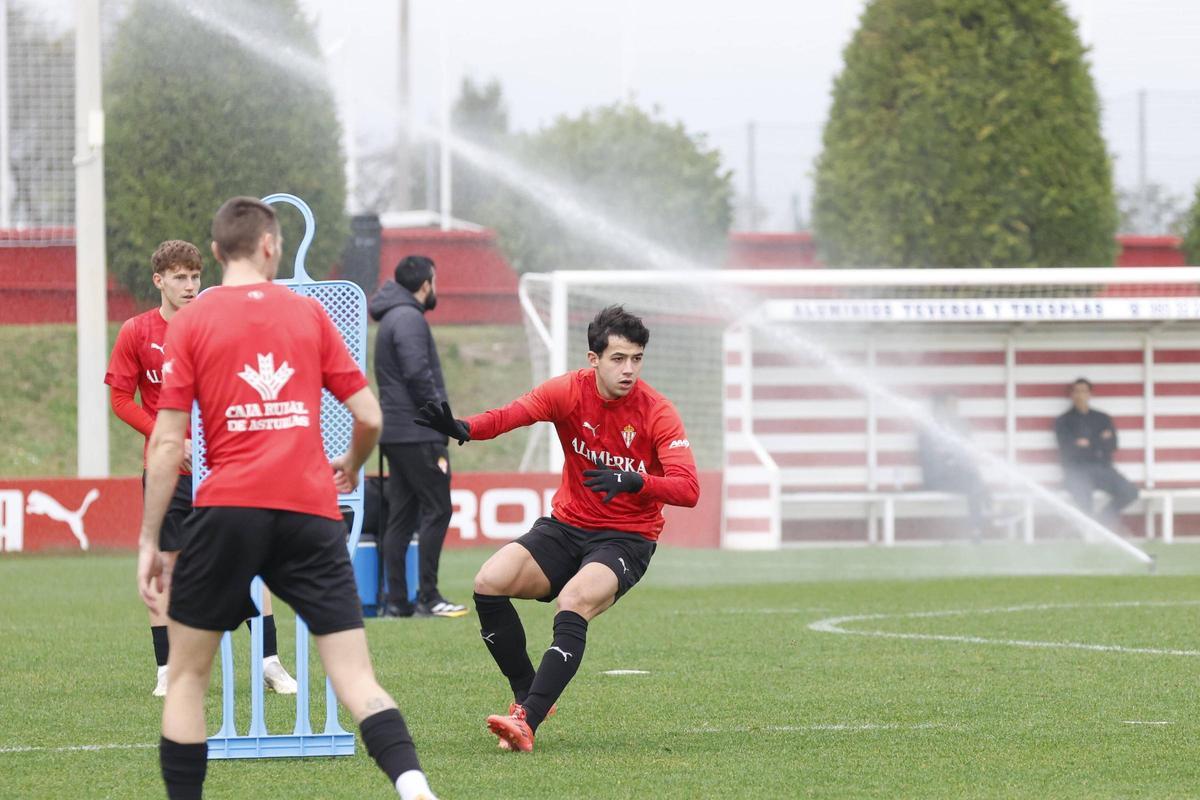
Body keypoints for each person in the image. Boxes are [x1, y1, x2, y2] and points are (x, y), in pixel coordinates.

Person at [137, 197, 437, 800]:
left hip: (226, 512)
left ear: (217, 253)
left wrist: (149, 538)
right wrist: (349, 465)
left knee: (189, 678)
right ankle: (414, 789)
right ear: (272, 246)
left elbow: (169, 444)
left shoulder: (189, 322)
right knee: (354, 676)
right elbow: (369, 415)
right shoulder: (308, 314)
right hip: (308, 511)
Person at [415, 305, 699, 753]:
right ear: (594, 359)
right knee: (488, 582)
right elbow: (513, 414)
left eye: (637, 359)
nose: (629, 370)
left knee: (573, 601)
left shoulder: (657, 411)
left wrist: (637, 480)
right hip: (567, 527)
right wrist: (464, 427)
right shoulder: (568, 391)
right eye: (618, 358)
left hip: (627, 537)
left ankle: (526, 721)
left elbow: (688, 489)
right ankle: (528, 692)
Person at [106, 239, 296, 697]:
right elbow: (119, 399)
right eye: (179, 277)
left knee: (250, 564)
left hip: (227, 468)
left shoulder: (221, 326)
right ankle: (166, 668)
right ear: (159, 281)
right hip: (168, 471)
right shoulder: (137, 331)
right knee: (165, 566)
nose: (190, 286)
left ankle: (270, 662)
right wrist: (167, 438)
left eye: (195, 277)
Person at [370, 255, 466, 618]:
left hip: (395, 431)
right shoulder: (409, 317)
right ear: (425, 284)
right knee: (438, 508)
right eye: (434, 282)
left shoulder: (392, 316)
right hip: (417, 431)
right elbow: (417, 374)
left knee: (402, 515)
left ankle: (397, 601)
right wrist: (443, 421)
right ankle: (429, 596)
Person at [1054, 377, 1139, 527]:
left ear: (1090, 394)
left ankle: (1103, 519)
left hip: (1103, 468)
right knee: (1084, 500)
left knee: (1130, 492)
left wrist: (1085, 442)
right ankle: (1086, 533)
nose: (1080, 395)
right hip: (1076, 470)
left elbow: (1112, 445)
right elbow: (1068, 449)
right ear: (1072, 394)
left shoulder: (1102, 418)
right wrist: (1099, 441)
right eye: (1077, 391)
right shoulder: (1063, 421)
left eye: (1084, 391)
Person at [917, 393, 993, 540]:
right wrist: (952, 463)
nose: (955, 410)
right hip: (937, 479)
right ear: (941, 408)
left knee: (974, 481)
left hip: (956, 476)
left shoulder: (958, 430)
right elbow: (931, 463)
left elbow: (966, 457)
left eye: (956, 406)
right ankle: (985, 519)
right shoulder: (927, 430)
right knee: (974, 483)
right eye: (952, 406)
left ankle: (978, 527)